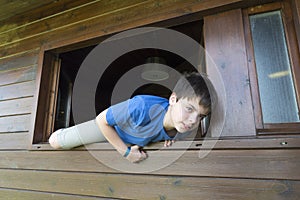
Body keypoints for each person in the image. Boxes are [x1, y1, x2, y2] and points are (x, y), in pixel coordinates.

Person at [49, 72, 213, 163]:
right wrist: (126, 152)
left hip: (133, 138)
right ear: (173, 99)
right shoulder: (141, 106)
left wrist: (169, 140)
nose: (193, 120)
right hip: (110, 129)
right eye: (189, 109)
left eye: (200, 116)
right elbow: (101, 120)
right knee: (55, 142)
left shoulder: (183, 128)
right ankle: (63, 131)